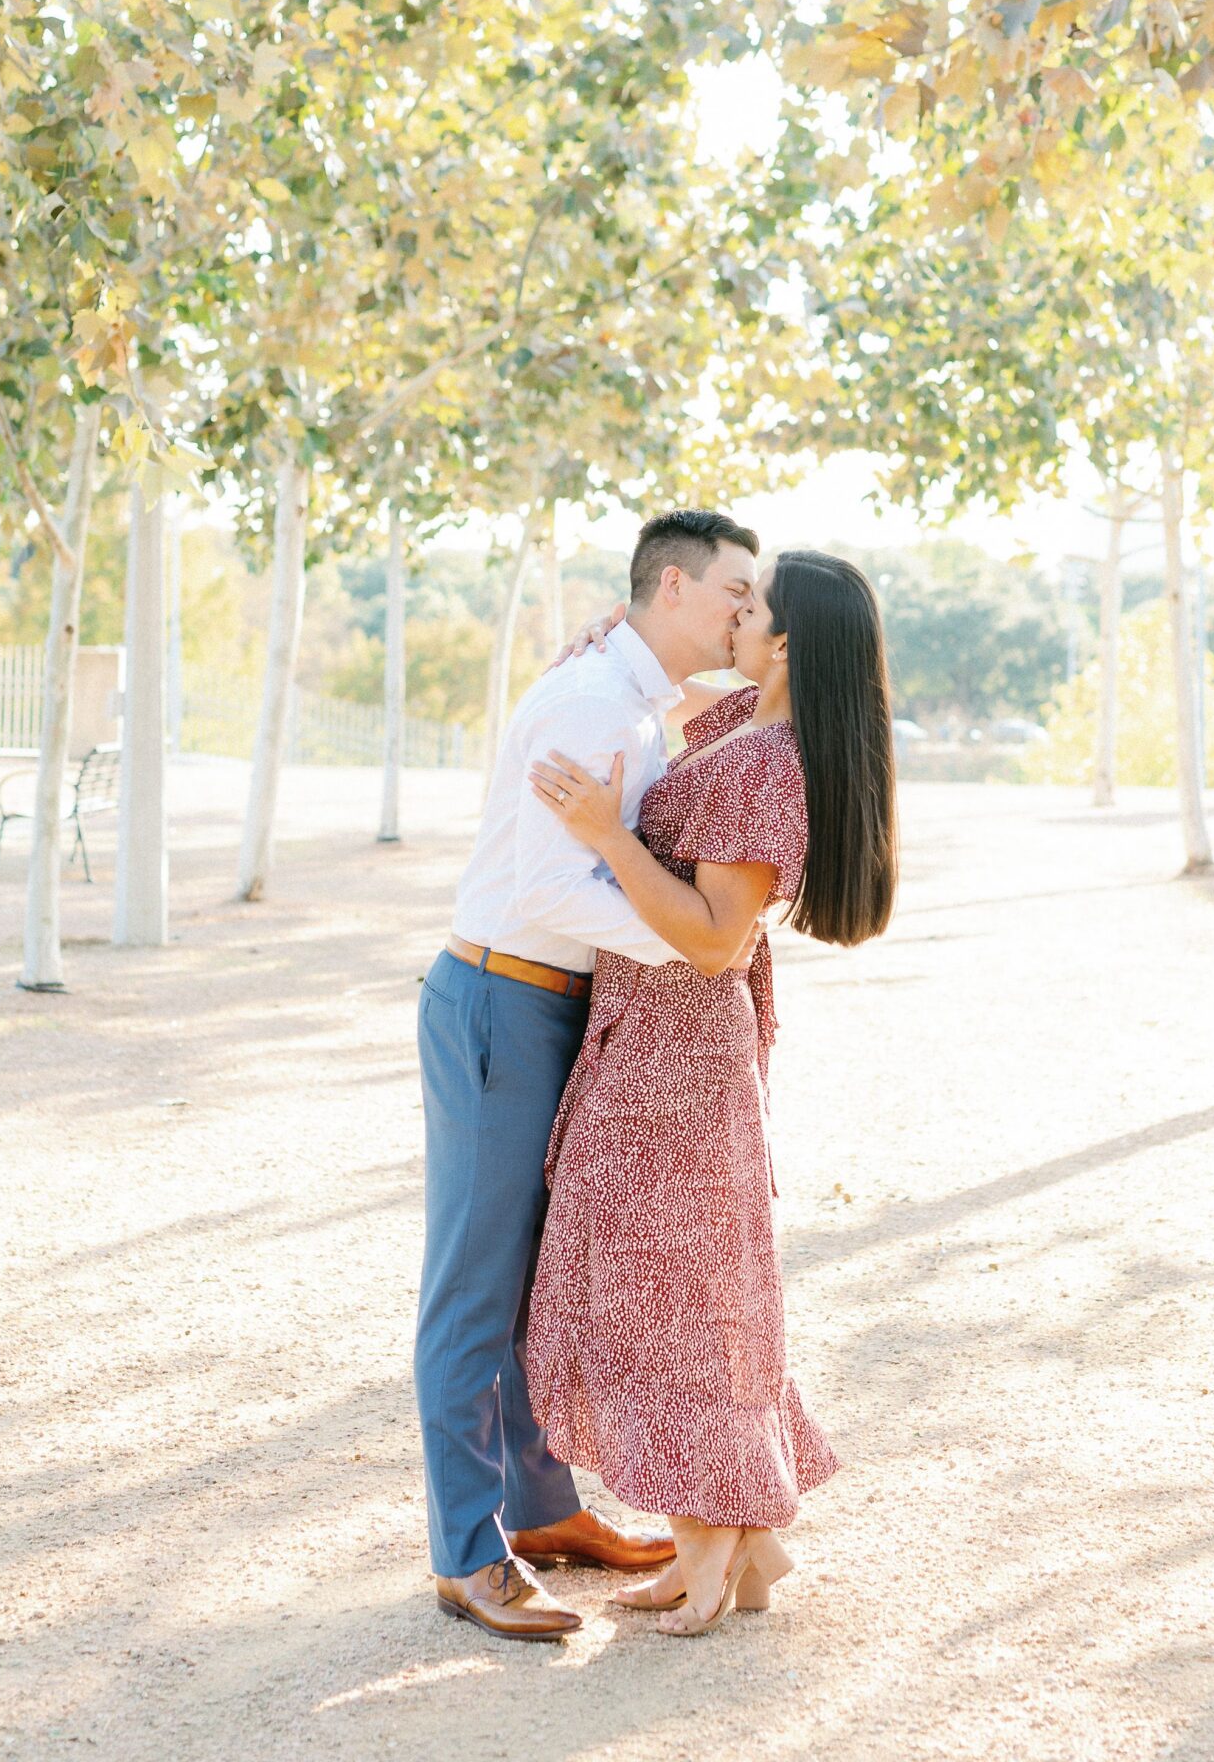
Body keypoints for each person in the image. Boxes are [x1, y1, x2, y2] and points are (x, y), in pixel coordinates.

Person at [416, 508, 775, 1642]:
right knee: (475, 1283)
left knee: (537, 1274)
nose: (740, 610)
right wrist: (704, 941)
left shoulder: (627, 698)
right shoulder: (588, 703)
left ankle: (545, 1510)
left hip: (557, 1005)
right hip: (503, 995)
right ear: (669, 587)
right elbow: (542, 891)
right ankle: (467, 1555)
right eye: (731, 589)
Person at [524, 550, 898, 1636]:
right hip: (648, 1043)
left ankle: (713, 1546)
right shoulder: (741, 722)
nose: (735, 610)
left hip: (678, 1057)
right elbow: (650, 690)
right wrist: (603, 649)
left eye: (752, 602)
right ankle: (738, 1545)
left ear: (783, 641)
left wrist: (600, 833)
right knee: (674, 1291)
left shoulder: (766, 764)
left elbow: (709, 937)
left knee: (672, 1303)